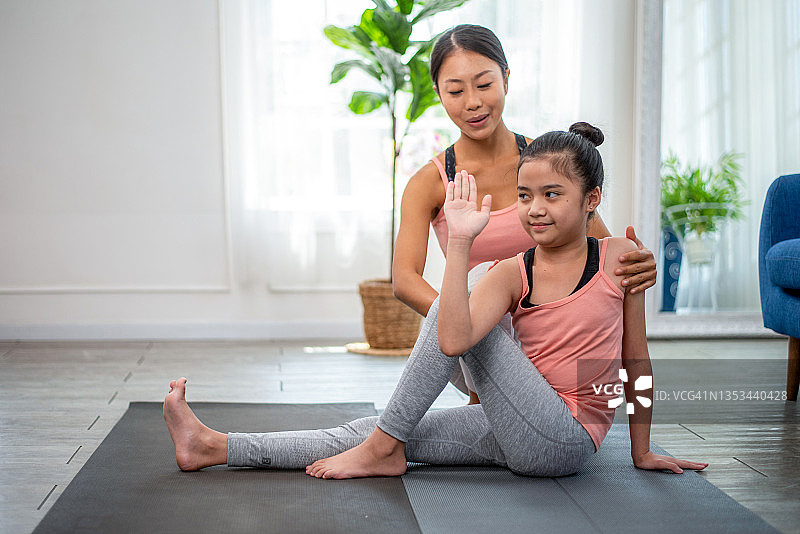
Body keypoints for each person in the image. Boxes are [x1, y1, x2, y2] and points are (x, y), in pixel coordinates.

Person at [163, 122, 707, 479]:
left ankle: (380, 447)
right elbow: (452, 339)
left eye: (552, 195)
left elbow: (636, 359)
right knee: (380, 432)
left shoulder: (618, 258)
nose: (535, 209)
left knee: (470, 292)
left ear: (591, 200)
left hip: (566, 441)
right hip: (512, 423)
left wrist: (641, 450)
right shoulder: (514, 271)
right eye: (524, 196)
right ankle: (214, 447)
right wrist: (462, 241)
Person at [392, 24, 656, 403]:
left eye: (484, 84)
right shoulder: (428, 183)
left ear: (506, 79)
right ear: (438, 93)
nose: (472, 102)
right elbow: (404, 279)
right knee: (478, 280)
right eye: (455, 90)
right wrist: (471, 317)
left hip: (553, 336)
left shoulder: (546, 161)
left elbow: (601, 245)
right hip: (474, 333)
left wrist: (638, 265)